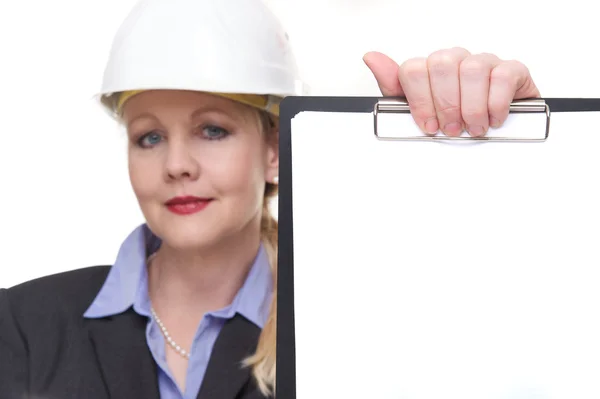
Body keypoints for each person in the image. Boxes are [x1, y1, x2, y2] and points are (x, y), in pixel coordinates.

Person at [0, 0, 541, 398]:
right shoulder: (22, 323)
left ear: (275, 150)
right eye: (149, 136)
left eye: (212, 130)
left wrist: (504, 148)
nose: (176, 164)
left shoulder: (356, 327)